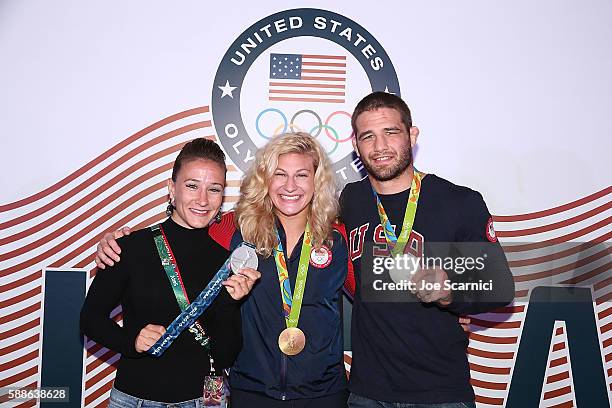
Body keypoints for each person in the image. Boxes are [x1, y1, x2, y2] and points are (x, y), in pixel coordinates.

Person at [95, 133, 349, 407]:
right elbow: (182, 230)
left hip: (324, 394)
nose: (290, 186)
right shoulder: (235, 230)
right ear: (265, 180)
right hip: (252, 393)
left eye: (301, 175)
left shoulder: (339, 238)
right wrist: (117, 243)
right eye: (279, 174)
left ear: (317, 181)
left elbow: (375, 304)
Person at [341, 92, 515, 408]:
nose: (380, 146)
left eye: (390, 132)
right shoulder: (349, 201)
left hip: (438, 393)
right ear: (356, 146)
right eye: (368, 136)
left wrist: (449, 292)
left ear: (412, 135)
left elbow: (500, 287)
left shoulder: (458, 202)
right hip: (366, 393)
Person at [80, 138, 260, 407]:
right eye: (192, 186)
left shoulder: (226, 261)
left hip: (204, 401)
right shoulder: (129, 247)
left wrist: (231, 304)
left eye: (214, 189)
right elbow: (90, 318)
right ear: (171, 189)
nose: (202, 199)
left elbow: (225, 356)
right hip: (136, 400)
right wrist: (131, 341)